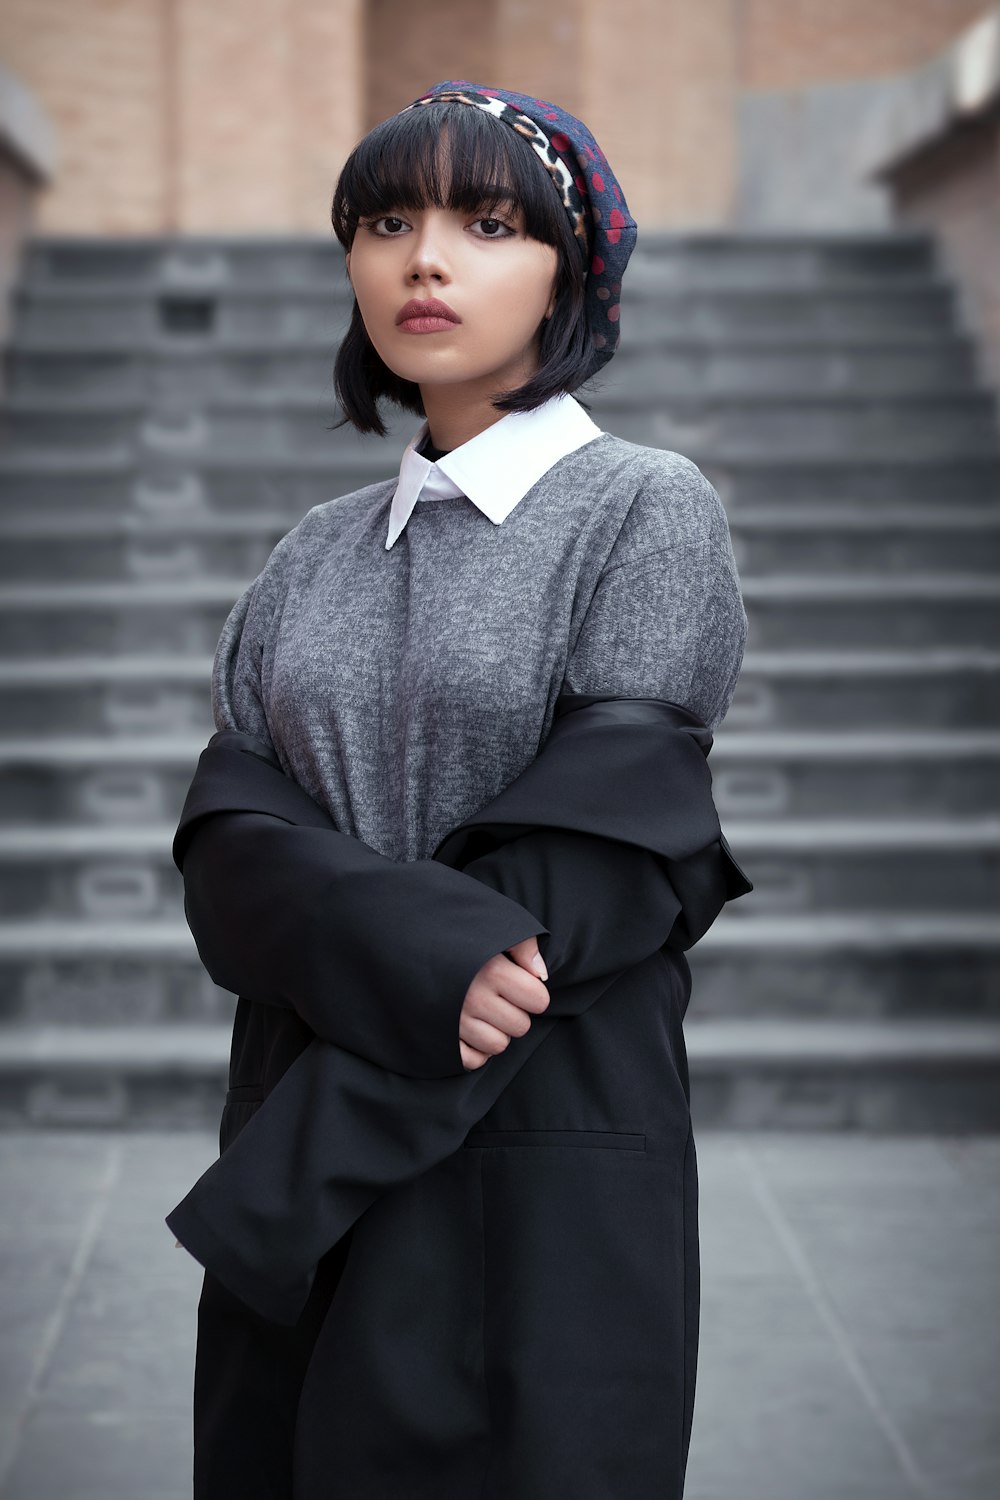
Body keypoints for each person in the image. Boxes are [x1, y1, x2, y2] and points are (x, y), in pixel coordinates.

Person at [181, 80, 750, 1499]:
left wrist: (424, 982)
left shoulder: (643, 509)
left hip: (534, 1133)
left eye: (487, 222)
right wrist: (431, 955)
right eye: (386, 222)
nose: (423, 259)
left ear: (571, 272)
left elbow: (615, 842)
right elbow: (231, 851)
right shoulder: (309, 553)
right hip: (302, 1099)